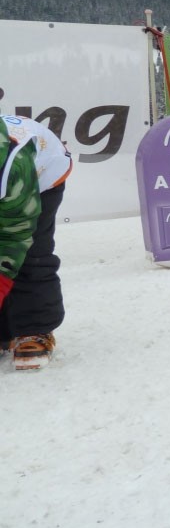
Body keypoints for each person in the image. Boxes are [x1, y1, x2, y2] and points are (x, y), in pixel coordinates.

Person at [0, 115, 72, 370]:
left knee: (30, 253)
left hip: (42, 173)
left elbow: (15, 235)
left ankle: (35, 328)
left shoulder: (13, 164)